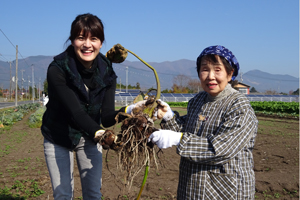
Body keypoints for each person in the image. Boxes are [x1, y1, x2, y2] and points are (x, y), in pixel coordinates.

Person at [41, 13, 135, 199]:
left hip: (89, 137)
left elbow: (107, 115)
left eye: (94, 38)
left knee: (93, 194)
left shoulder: (106, 69)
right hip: (59, 136)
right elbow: (76, 112)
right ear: (72, 40)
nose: (87, 44)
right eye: (80, 38)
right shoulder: (58, 68)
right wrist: (101, 134)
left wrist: (131, 111)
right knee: (63, 194)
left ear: (101, 43)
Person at [149, 45, 258, 199]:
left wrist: (178, 139)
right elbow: (186, 130)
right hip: (192, 188)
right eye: (205, 69)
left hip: (225, 191)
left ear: (230, 73)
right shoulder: (197, 101)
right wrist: (169, 117)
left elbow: (221, 149)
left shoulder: (239, 107)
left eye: (217, 70)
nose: (210, 76)